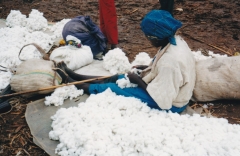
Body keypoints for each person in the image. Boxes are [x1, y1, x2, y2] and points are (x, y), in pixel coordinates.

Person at [55, 10, 196, 113]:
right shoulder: (175, 41)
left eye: (148, 37)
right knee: (118, 78)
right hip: (168, 86)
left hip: (172, 103)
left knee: (114, 88)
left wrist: (138, 81)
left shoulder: (169, 62)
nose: (147, 39)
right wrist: (148, 67)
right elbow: (167, 71)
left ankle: (70, 82)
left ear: (155, 37)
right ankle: (78, 77)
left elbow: (162, 98)